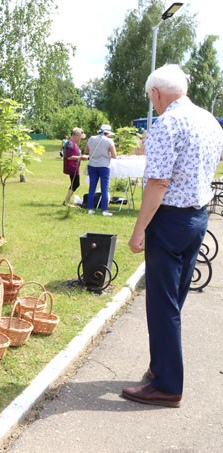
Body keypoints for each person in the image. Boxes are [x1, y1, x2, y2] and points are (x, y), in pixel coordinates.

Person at [123, 64, 223, 407]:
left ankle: (168, 385)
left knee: (162, 305)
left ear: (156, 93)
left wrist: (139, 232)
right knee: (174, 301)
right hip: (198, 217)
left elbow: (158, 182)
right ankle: (160, 367)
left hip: (169, 220)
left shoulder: (166, 123)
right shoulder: (210, 121)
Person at [84, 124, 117, 216]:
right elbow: (114, 155)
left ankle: (90, 208)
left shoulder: (91, 138)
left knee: (92, 187)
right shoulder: (109, 141)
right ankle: (104, 210)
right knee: (104, 188)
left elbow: (86, 150)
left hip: (93, 165)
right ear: (108, 133)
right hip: (104, 166)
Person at [61, 128, 86, 207]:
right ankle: (66, 201)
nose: (80, 140)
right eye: (80, 138)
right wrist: (81, 157)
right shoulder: (70, 144)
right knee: (75, 183)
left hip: (74, 166)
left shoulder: (73, 143)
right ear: (76, 135)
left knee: (74, 183)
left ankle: (66, 201)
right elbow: (69, 157)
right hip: (71, 167)